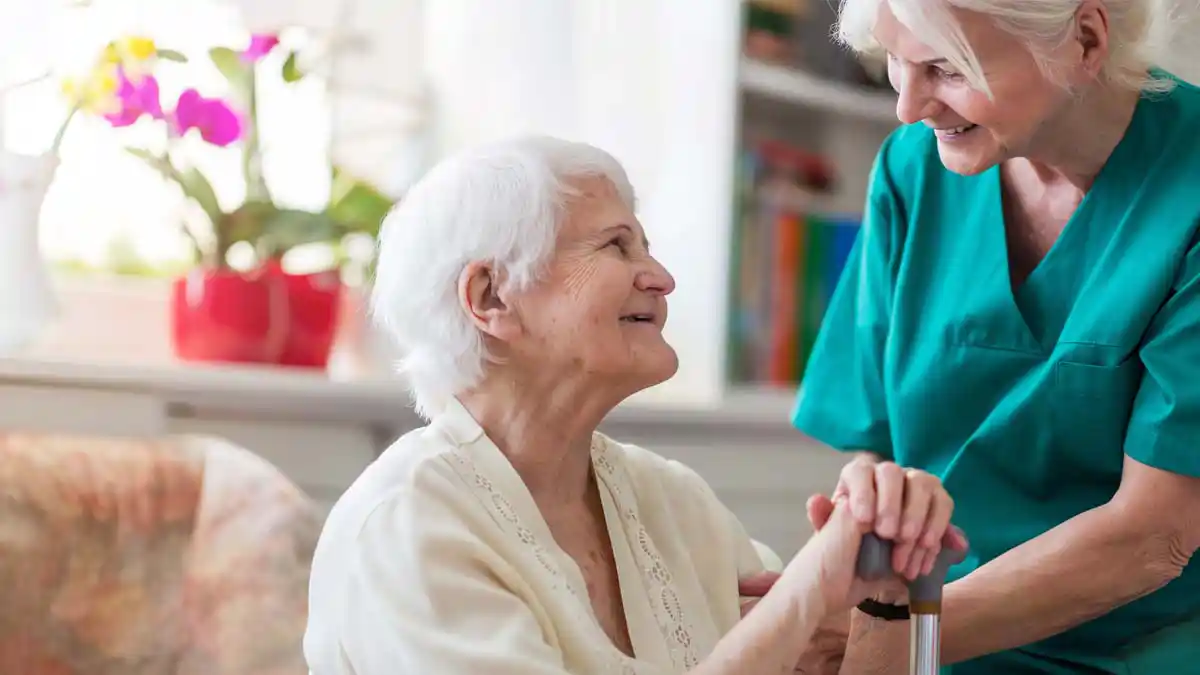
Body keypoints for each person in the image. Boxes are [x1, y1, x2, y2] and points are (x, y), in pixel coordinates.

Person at [302, 136, 965, 675]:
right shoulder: (406, 527)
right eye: (617, 245)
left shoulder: (674, 500)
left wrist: (884, 576)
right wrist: (802, 596)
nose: (662, 277)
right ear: (492, 297)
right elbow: (792, 617)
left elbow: (820, 649)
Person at [790, 0, 1200, 673]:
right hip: (923, 630)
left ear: (1086, 40)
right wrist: (864, 537)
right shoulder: (911, 170)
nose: (909, 106)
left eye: (946, 68)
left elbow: (1156, 535)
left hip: (1137, 646)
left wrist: (888, 639)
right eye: (896, 61)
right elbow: (876, 445)